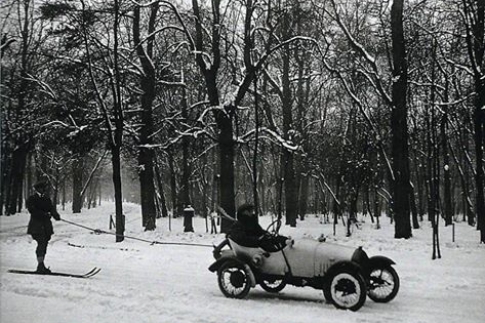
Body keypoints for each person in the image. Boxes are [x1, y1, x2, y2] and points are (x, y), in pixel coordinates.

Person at [26, 181, 61, 273]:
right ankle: (40, 265)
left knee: (44, 244)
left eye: (44, 188)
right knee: (41, 243)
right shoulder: (32, 199)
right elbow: (32, 211)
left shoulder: (46, 199)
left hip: (46, 227)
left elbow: (51, 208)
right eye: (42, 188)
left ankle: (41, 265)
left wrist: (56, 215)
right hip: (36, 226)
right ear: (37, 189)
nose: (43, 190)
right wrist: (44, 214)